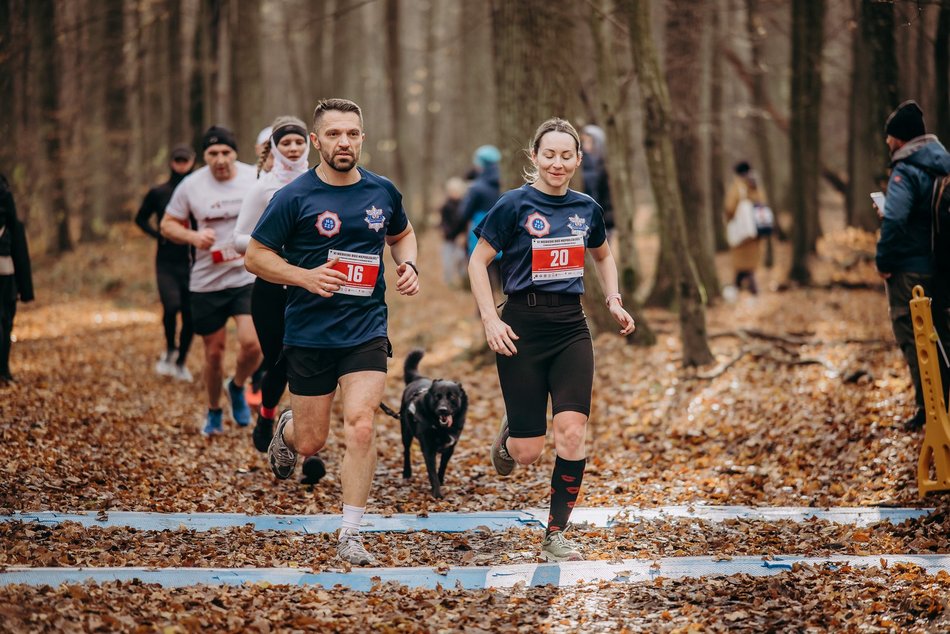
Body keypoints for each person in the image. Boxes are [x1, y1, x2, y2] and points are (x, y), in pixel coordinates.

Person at [245, 98, 420, 565]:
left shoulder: (383, 192)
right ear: (318, 141)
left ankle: (351, 533)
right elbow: (255, 257)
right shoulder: (294, 197)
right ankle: (287, 426)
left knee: (362, 426)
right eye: (335, 134)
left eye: (353, 134)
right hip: (308, 333)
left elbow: (401, 234)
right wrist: (304, 276)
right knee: (311, 443)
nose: (345, 142)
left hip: (365, 329)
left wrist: (409, 265)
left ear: (363, 138)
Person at [468, 117, 635, 562]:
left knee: (572, 432)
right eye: (549, 155)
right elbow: (477, 261)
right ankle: (511, 436)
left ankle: (555, 535)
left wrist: (613, 298)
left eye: (567, 156)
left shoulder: (586, 208)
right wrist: (490, 319)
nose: (557, 163)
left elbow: (602, 254)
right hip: (521, 327)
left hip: (570, 329)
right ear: (534, 157)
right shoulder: (513, 205)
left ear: (578, 159)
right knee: (527, 453)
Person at [234, 115, 327, 486]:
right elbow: (239, 239)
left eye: (297, 142)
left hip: (313, 286)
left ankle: (312, 455)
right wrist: (273, 243)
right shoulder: (263, 188)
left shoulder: (321, 182)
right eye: (284, 143)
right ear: (274, 148)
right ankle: (269, 415)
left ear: (308, 143)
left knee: (311, 367)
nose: (292, 148)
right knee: (280, 363)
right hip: (271, 287)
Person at [160, 126, 263, 436]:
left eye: (226, 153)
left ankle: (238, 385)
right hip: (207, 280)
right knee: (214, 353)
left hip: (246, 274)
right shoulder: (191, 185)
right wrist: (192, 236)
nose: (220, 159)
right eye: (213, 154)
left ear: (235, 153)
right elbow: (167, 224)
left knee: (253, 344)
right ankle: (214, 410)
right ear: (204, 157)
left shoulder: (253, 176)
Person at [875, 100, 950, 431]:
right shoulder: (940, 163)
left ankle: (930, 410)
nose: (888, 143)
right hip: (938, 267)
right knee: (940, 338)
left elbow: (896, 219)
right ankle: (942, 406)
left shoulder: (906, 168)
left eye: (890, 137)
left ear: (900, 139)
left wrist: (884, 260)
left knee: (915, 340)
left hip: (908, 270)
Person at [135, 144, 197, 381]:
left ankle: (181, 361)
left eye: (186, 160)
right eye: (178, 160)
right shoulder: (159, 192)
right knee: (171, 307)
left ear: (192, 162)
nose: (182, 165)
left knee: (190, 315)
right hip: (166, 261)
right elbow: (140, 218)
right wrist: (157, 235)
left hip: (193, 260)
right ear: (172, 162)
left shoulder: (199, 190)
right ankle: (170, 348)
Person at [0, 174, 34, 384]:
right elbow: (21, 257)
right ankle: (3, 369)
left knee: (4, 321)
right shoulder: (13, 227)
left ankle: (3, 369)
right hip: (7, 272)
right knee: (5, 321)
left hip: (7, 271)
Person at [461, 145, 502, 294]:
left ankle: (483, 308)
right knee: (500, 270)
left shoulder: (477, 187)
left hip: (480, 232)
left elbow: (464, 213)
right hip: (502, 229)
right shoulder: (503, 183)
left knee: (481, 266)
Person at [724, 161, 765, 294]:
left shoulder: (737, 187)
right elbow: (762, 203)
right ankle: (741, 289)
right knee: (747, 266)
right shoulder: (755, 186)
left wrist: (732, 218)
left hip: (741, 234)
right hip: (754, 233)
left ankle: (750, 290)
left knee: (742, 265)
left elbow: (729, 208)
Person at [580, 125, 615, 235]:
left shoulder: (605, 165)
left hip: (605, 218)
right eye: (583, 142)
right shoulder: (580, 165)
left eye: (589, 142)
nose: (586, 146)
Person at [438, 176, 468, 287]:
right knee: (447, 262)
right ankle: (448, 282)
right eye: (452, 191)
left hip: (460, 238)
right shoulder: (445, 206)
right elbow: (443, 221)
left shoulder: (464, 205)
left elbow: (465, 222)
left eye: (456, 191)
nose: (454, 193)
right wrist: (444, 231)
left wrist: (463, 235)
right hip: (448, 238)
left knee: (461, 259)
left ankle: (464, 281)